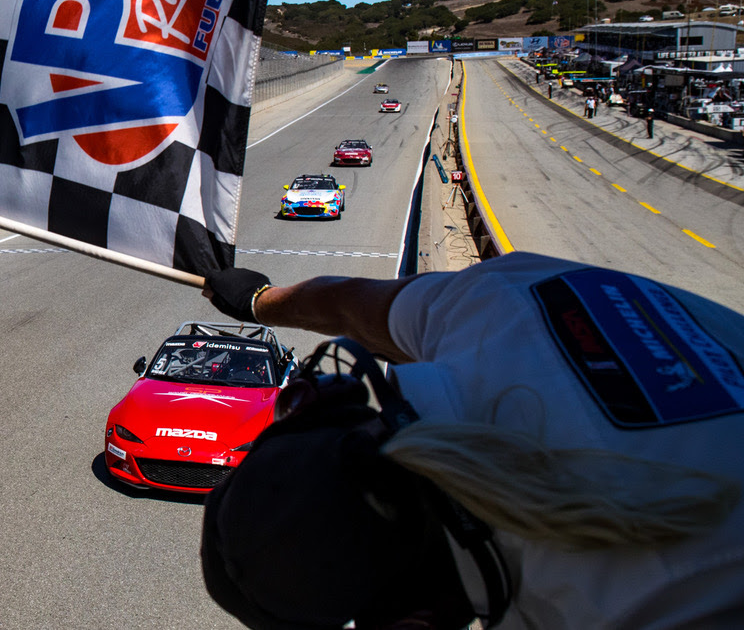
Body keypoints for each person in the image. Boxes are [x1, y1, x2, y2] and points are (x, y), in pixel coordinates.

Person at [200, 253, 744, 629]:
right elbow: (346, 304)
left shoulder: (628, 604)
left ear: (417, 619)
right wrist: (260, 301)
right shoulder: (490, 307)